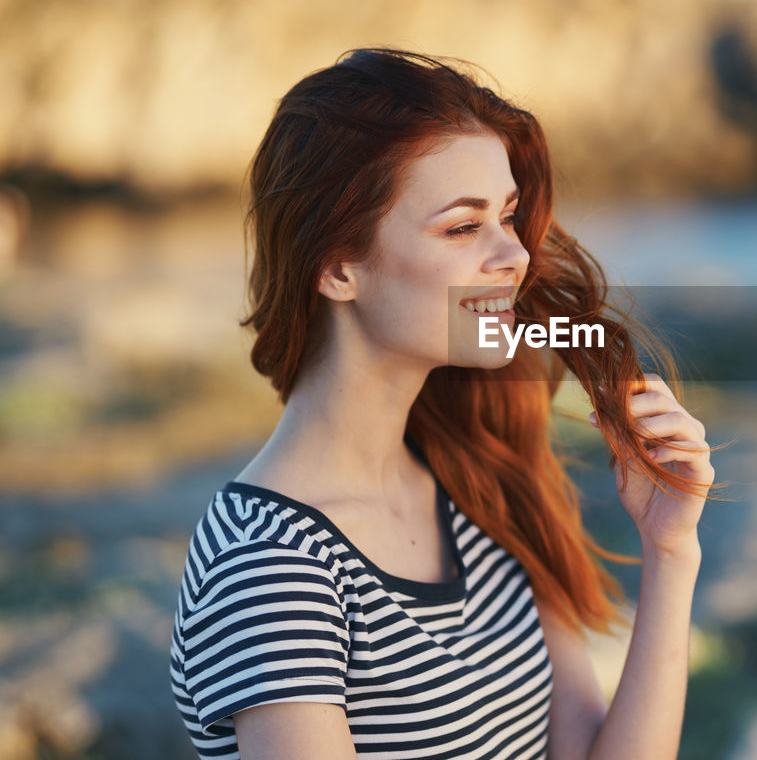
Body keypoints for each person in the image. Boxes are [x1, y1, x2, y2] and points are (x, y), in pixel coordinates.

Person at [168, 47, 720, 760]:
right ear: (338, 267)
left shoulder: (481, 486)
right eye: (463, 227)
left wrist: (670, 551)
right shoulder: (271, 565)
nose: (515, 256)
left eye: (510, 218)